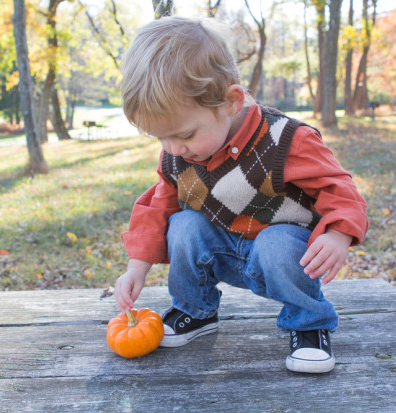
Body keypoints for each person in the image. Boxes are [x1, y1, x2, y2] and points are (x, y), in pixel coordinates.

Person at [114, 16, 368, 374]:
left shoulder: (286, 141)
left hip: (283, 256)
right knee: (183, 224)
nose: (174, 148)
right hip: (221, 251)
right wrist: (135, 269)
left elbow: (339, 189)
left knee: (276, 242)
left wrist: (339, 234)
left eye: (185, 135)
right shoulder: (178, 155)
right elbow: (157, 207)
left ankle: (309, 325)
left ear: (231, 102)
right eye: (162, 138)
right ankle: (195, 309)